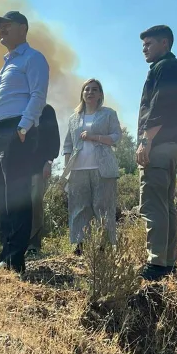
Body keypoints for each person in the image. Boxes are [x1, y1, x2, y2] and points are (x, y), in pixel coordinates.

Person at [0, 12, 49, 274]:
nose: (1, 30)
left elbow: (38, 94)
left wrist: (23, 127)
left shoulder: (33, 58)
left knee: (17, 196)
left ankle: (15, 260)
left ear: (22, 29)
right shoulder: (7, 62)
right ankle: (6, 253)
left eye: (6, 26)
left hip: (17, 132)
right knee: (3, 198)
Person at [137, 25, 177, 280]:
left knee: (153, 205)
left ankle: (156, 264)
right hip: (174, 145)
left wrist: (146, 140)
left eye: (149, 44)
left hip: (159, 144)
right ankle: (168, 263)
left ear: (165, 43)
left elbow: (160, 105)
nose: (144, 48)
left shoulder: (165, 67)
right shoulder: (173, 67)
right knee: (165, 204)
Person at [62, 79, 122, 252]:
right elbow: (67, 144)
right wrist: (67, 170)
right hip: (78, 168)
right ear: (82, 93)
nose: (90, 92)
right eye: (87, 89)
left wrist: (94, 137)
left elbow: (116, 136)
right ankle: (80, 244)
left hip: (103, 169)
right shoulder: (74, 118)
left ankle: (103, 245)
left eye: (94, 90)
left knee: (102, 207)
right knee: (79, 207)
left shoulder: (109, 113)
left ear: (100, 95)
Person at [27, 104, 60, 255]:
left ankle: (34, 243)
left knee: (35, 204)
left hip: (38, 166)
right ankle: (18, 242)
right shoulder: (16, 107)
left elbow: (54, 138)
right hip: (17, 167)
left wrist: (49, 161)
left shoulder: (46, 110)